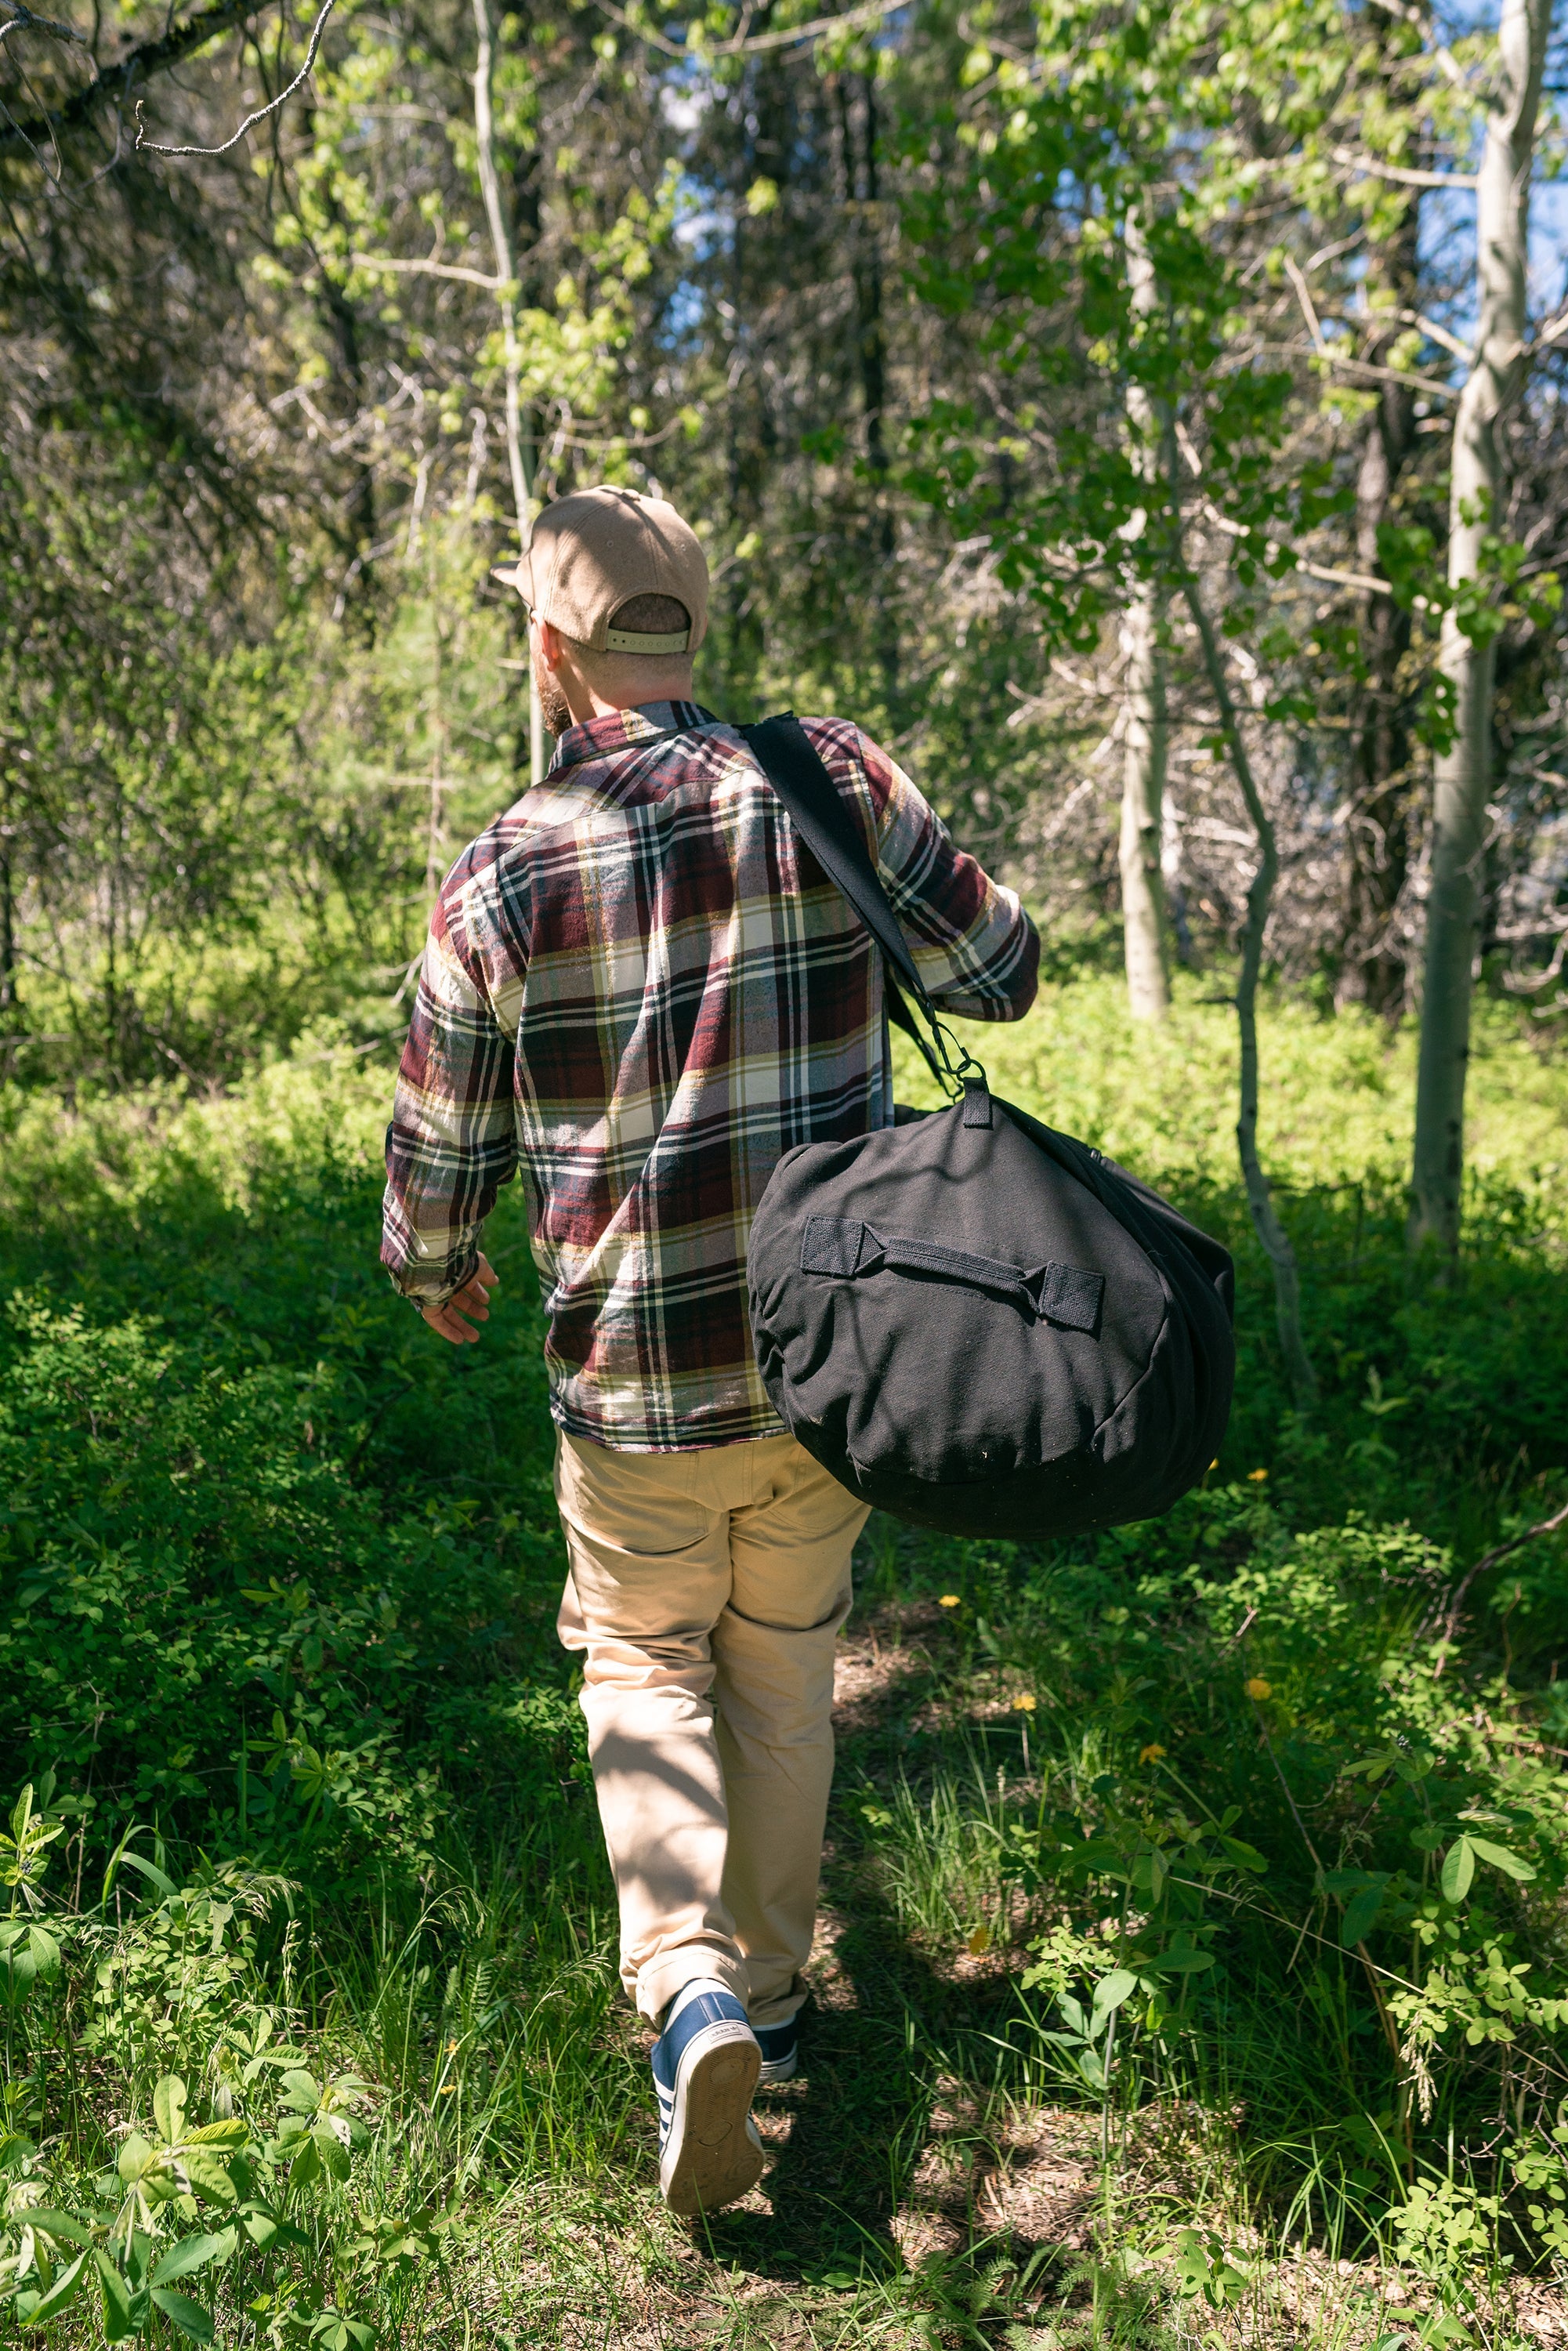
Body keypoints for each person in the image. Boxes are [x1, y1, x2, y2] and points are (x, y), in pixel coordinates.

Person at [381, 485, 1039, 2216]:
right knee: (784, 1669)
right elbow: (1002, 968)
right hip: (835, 1366)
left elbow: (438, 1151)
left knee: (638, 1666)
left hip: (630, 1383)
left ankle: (682, 1993)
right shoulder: (827, 776)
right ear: (694, 626)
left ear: (547, 648)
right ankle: (763, 1995)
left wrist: (433, 1265)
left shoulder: (504, 866)